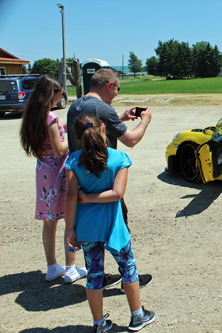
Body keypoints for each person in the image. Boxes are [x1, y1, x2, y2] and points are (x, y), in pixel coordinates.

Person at [66, 114, 155, 332]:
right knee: (128, 268)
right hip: (113, 226)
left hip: (87, 227)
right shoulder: (119, 158)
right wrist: (92, 197)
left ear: (78, 137)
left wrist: (70, 229)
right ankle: (137, 316)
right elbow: (117, 193)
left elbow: (70, 197)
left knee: (94, 274)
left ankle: (99, 324)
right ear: (103, 129)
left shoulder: (73, 161)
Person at [66, 68, 152, 291]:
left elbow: (91, 132)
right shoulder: (103, 109)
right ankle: (128, 279)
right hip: (106, 185)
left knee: (91, 242)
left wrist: (120, 118)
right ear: (109, 85)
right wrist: (145, 121)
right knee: (119, 232)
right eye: (117, 88)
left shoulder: (75, 106)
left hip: (83, 186)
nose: (116, 93)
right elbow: (131, 140)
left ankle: (98, 277)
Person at [19, 75, 86, 283]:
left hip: (43, 171)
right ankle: (71, 267)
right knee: (69, 219)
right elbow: (59, 150)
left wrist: (62, 132)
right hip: (58, 171)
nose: (58, 100)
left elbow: (48, 142)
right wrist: (75, 139)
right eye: (57, 97)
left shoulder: (33, 116)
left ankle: (52, 267)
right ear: (49, 95)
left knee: (49, 222)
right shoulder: (51, 118)